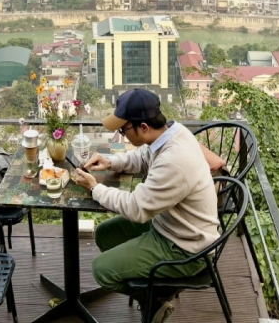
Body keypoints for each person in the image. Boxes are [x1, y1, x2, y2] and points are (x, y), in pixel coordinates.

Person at [73, 88, 220, 323]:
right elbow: (143, 158)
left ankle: (155, 300)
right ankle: (155, 294)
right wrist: (111, 161)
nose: (121, 134)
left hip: (186, 247)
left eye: (123, 129)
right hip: (169, 225)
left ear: (143, 127)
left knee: (101, 270)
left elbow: (136, 209)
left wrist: (94, 188)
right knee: (104, 234)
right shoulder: (171, 132)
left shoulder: (175, 160)